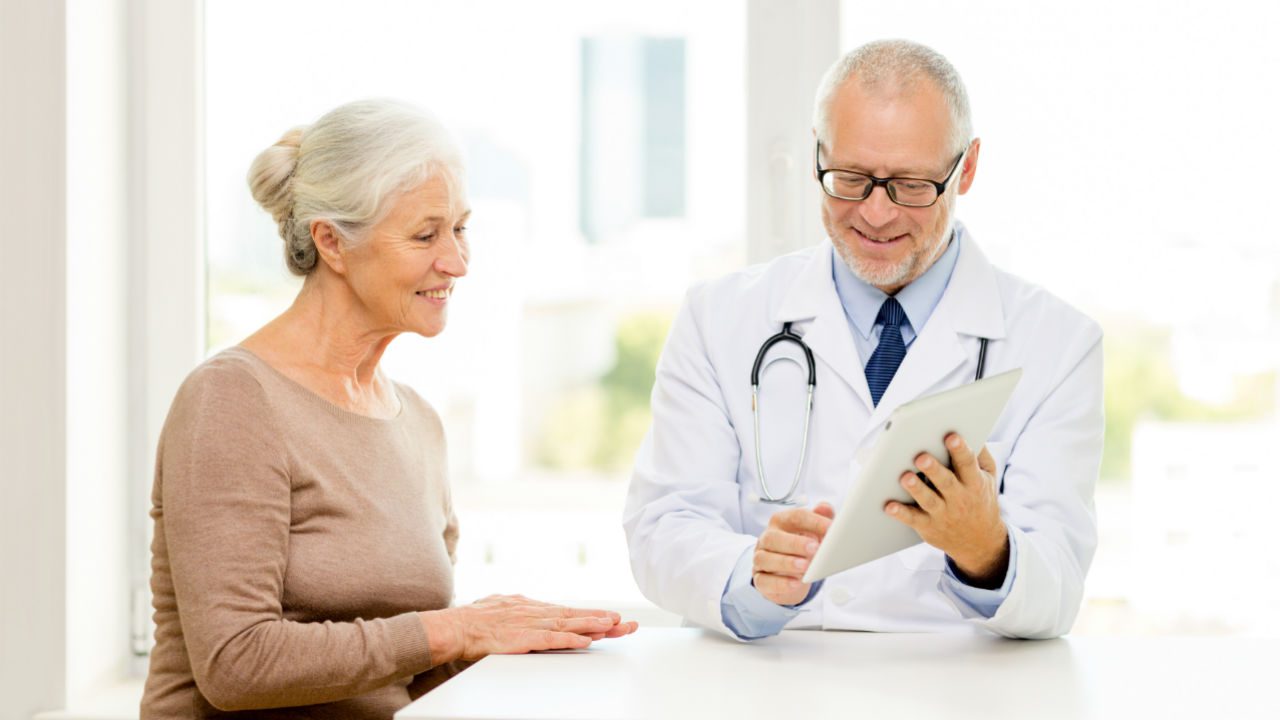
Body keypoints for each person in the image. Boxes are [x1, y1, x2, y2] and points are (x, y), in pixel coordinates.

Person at [142, 99, 637, 719]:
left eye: (460, 228)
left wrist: (520, 641)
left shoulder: (419, 423)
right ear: (332, 243)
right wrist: (455, 630)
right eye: (425, 235)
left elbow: (405, 670)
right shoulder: (234, 400)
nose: (456, 262)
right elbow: (236, 664)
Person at [623, 39, 1102, 640]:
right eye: (849, 178)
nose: (876, 214)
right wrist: (751, 574)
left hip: (958, 693)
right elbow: (661, 527)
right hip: (767, 685)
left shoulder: (1058, 344)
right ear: (816, 155)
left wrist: (986, 550)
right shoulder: (718, 318)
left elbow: (1057, 587)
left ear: (968, 168)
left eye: (909, 185)